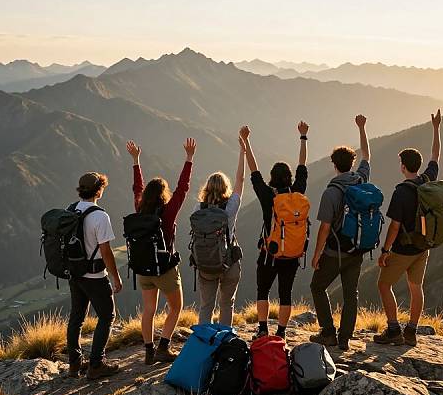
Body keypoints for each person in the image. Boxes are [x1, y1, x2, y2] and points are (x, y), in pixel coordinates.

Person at [374, 110, 441, 347]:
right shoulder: (427, 181)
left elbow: (394, 226)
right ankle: (411, 331)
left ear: (403, 167)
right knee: (416, 287)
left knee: (383, 285)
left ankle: (393, 329)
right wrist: (436, 128)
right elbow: (435, 155)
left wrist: (384, 250)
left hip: (404, 249)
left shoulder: (401, 192)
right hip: (424, 246)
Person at [126, 138, 196, 364]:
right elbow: (182, 189)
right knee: (176, 307)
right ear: (163, 195)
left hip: (143, 268)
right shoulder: (167, 213)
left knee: (149, 309)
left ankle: (148, 351)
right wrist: (189, 158)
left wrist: (136, 161)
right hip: (164, 269)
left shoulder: (139, 209)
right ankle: (163, 347)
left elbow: (137, 188)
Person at [240, 121, 309, 340]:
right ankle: (281, 333)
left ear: (272, 177)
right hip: (292, 253)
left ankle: (262, 329)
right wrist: (303, 137)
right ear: (289, 177)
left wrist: (246, 141)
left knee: (263, 291)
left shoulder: (268, 195)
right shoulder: (298, 191)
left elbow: (253, 170)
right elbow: (302, 164)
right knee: (285, 293)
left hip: (270, 252)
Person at [309, 115, 370, 351]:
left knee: (317, 287)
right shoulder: (361, 179)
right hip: (357, 249)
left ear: (333, 164)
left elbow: (324, 228)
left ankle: (328, 333)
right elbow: (367, 155)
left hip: (335, 252)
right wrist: (362, 128)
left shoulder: (331, 192)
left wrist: (317, 254)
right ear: (351, 163)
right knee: (350, 294)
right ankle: (345, 339)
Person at [67, 172, 122, 380]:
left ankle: (74, 365)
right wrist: (116, 278)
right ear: (99, 190)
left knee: (76, 319)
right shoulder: (100, 216)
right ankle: (96, 365)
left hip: (75, 274)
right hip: (95, 276)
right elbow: (106, 251)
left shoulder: (71, 210)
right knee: (107, 316)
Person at [196, 135, 246, 326]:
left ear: (207, 189)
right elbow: (240, 180)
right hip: (229, 262)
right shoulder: (230, 207)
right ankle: (225, 343)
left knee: (206, 305)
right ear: (226, 189)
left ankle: (203, 345)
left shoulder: (198, 209)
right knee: (227, 304)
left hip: (205, 262)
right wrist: (243, 151)